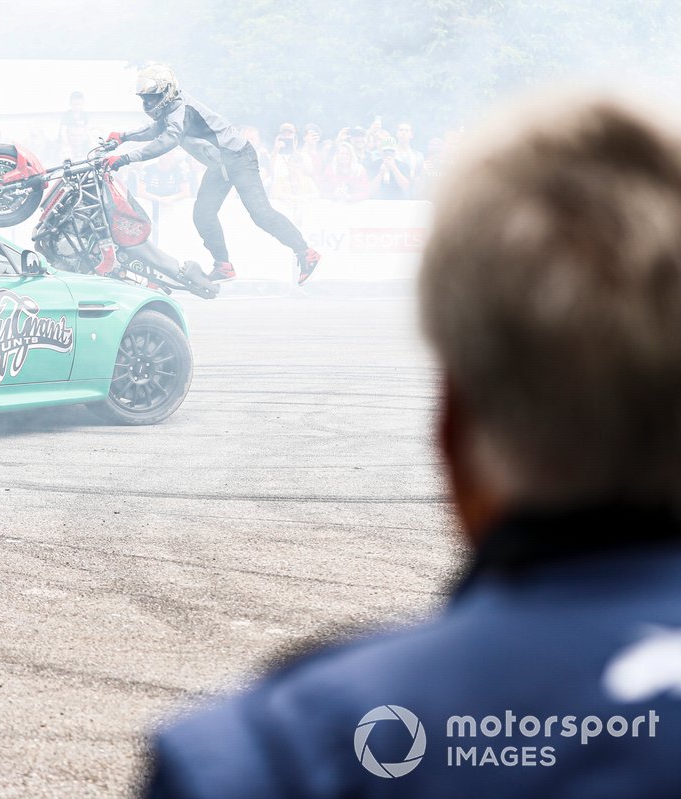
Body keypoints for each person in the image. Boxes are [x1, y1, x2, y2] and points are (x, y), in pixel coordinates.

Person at [141, 92, 681, 797]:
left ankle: (299, 247)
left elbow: (158, 140)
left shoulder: (275, 746)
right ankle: (245, 257)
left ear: (454, 428)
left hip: (240, 163)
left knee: (251, 211)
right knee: (209, 215)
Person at [104, 65, 322, 285]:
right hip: (220, 165)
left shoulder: (182, 110)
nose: (149, 103)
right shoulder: (171, 109)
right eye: (146, 98)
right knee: (203, 214)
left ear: (167, 91)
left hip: (238, 158)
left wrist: (126, 158)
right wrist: (122, 136)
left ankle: (306, 252)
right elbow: (155, 129)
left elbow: (169, 139)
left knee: (260, 213)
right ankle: (224, 266)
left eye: (153, 97)